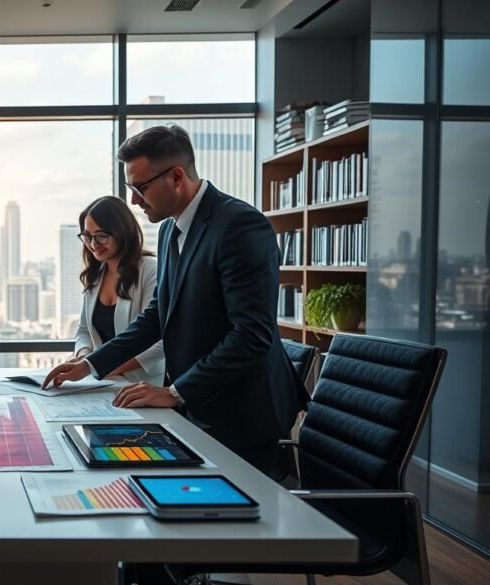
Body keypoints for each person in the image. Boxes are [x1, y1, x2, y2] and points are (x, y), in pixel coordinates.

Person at [43, 125, 307, 474]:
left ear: (177, 176)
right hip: (196, 409)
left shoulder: (240, 226)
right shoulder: (170, 230)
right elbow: (157, 315)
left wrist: (177, 392)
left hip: (242, 413)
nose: (135, 200)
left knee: (232, 524)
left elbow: (251, 335)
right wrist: (91, 365)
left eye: (140, 188)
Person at [72, 196, 165, 384]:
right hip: (102, 383)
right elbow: (83, 331)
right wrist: (83, 357)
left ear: (121, 232)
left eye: (101, 236)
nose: (93, 244)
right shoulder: (95, 275)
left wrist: (98, 367)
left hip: (142, 385)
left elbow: (160, 340)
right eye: (87, 236)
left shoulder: (150, 270)